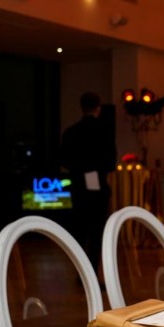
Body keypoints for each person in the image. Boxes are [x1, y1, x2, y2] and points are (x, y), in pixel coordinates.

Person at [60, 93, 116, 270]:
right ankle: (91, 271)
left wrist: (81, 168)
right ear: (98, 108)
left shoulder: (71, 132)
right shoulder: (104, 130)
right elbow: (111, 162)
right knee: (96, 232)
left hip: (78, 188)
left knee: (79, 231)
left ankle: (80, 270)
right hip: (98, 189)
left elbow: (64, 161)